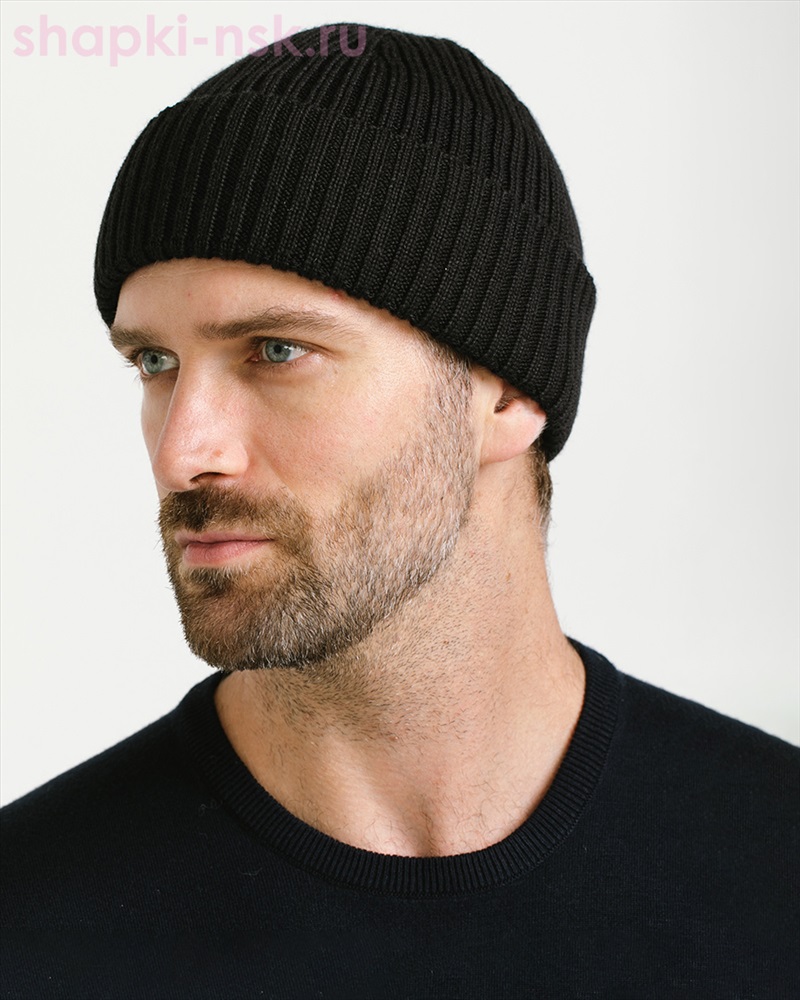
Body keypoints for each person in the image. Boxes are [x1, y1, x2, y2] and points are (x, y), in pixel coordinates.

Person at [2, 23, 797, 1000]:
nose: (182, 451)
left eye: (276, 351)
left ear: (504, 394)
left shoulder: (772, 868)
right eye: (155, 363)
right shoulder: (31, 924)